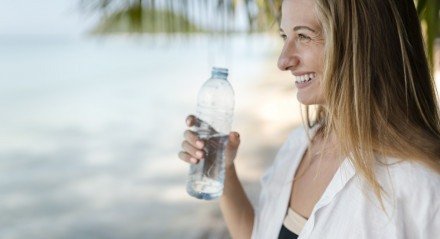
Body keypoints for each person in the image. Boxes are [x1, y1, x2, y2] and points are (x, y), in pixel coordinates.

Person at [178, 0, 440, 238]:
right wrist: (224, 169)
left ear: (363, 42)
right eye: (285, 35)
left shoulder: (421, 185)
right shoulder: (298, 146)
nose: (283, 61)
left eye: (303, 36)